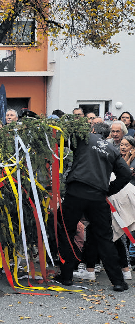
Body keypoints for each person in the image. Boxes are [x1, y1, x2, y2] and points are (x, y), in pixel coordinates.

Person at [55, 122, 131, 292]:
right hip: (98, 196)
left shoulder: (84, 139)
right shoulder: (112, 150)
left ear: (92, 130)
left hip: (76, 191)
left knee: (66, 231)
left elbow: (60, 140)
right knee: (105, 238)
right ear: (107, 135)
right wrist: (109, 190)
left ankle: (66, 276)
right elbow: (126, 174)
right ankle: (118, 281)